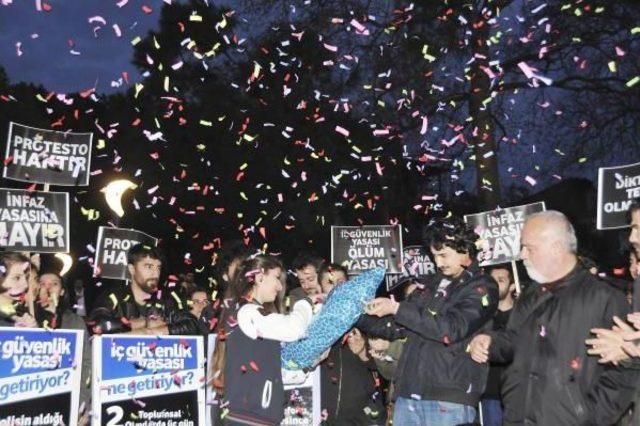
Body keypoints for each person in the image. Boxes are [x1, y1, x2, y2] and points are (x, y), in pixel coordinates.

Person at [469, 210, 638, 425]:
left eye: (529, 248)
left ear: (557, 248)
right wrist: (491, 342)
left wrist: (588, 418)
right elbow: (513, 340)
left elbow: (621, 374)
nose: (522, 255)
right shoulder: (531, 294)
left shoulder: (604, 298)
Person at [356, 217, 499, 425]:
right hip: (408, 394)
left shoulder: (482, 287)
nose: (438, 263)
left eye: (443, 255)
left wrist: (397, 307)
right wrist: (354, 314)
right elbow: (395, 328)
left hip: (448, 400)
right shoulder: (429, 286)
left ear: (465, 250)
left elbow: (451, 329)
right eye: (434, 256)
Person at [210, 255, 317, 425]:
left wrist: (307, 365)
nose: (280, 286)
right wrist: (304, 302)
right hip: (248, 419)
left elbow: (270, 370)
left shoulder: (248, 314)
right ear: (260, 278)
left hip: (257, 418)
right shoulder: (247, 312)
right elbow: (294, 328)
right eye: (276, 278)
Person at [87, 244, 199, 336]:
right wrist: (144, 324)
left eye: (158, 267)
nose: (155, 273)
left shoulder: (169, 298)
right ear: (132, 269)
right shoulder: (114, 296)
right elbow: (96, 325)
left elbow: (192, 325)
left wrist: (155, 332)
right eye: (148, 266)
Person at [34, 266, 92, 425]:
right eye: (42, 283)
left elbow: (87, 363)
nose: (47, 288)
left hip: (67, 403)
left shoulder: (74, 322)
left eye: (54, 284)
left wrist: (82, 403)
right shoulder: (25, 319)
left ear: (62, 291)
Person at [321, 327, 386, 425]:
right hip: (318, 412)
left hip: (361, 415)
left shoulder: (364, 320)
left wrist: (362, 351)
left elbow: (387, 367)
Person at [480, 265, 516, 426]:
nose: (495, 284)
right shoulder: (481, 315)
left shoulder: (523, 314)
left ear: (512, 286)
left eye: (501, 280)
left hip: (517, 390)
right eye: (492, 281)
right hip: (490, 391)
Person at [0, 252, 37, 328]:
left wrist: (33, 330)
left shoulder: (23, 313)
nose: (25, 285)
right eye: (17, 278)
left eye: (26, 278)